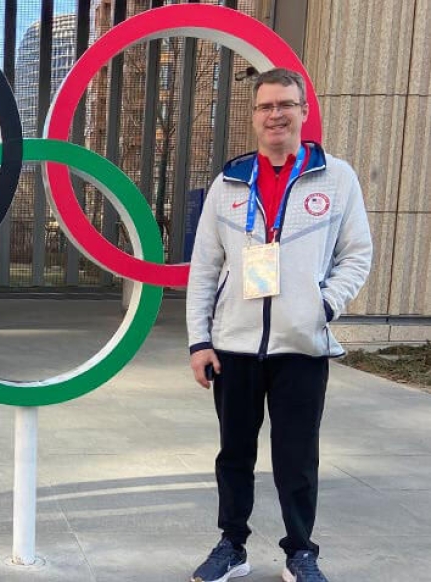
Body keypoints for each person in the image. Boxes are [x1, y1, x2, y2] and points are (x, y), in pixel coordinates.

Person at [186, 68, 372, 582]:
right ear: (253, 116)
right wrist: (199, 340)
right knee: (235, 454)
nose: (276, 115)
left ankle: (301, 551)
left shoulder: (336, 178)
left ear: (303, 111)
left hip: (301, 345)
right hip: (235, 345)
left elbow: (357, 254)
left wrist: (323, 306)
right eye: (265, 106)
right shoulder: (229, 182)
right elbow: (203, 266)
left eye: (285, 104)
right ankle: (233, 545)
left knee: (297, 456)